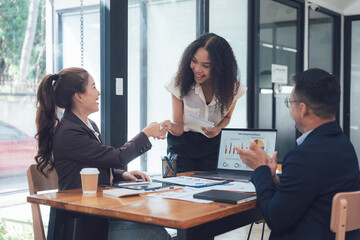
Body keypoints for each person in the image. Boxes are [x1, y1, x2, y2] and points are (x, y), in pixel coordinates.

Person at [35, 67, 171, 240]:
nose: (98, 92)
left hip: (98, 217)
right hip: (83, 226)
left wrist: (122, 174)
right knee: (155, 233)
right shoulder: (70, 132)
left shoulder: (86, 125)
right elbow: (117, 157)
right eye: (93, 87)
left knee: (153, 227)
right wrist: (146, 133)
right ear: (80, 95)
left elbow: (91, 164)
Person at [235, 68, 360, 239]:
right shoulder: (345, 147)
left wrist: (260, 169)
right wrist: (274, 179)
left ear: (303, 109)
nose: (290, 110)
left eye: (290, 103)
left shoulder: (304, 156)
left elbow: (275, 218)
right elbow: (310, 191)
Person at [161, 33, 247, 173]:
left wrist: (218, 129)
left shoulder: (233, 88)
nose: (197, 69)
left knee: (211, 187)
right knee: (179, 190)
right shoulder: (179, 82)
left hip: (212, 145)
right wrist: (169, 125)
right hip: (182, 144)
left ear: (220, 68)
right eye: (194, 61)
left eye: (205, 65)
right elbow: (178, 127)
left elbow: (227, 118)